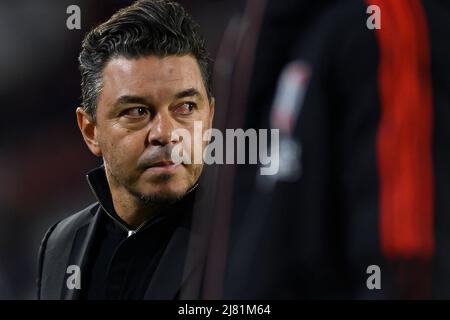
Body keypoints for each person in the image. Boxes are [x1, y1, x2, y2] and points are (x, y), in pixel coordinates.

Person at [37, 0, 214, 300]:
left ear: (209, 118)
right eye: (136, 111)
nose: (165, 134)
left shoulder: (248, 235)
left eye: (185, 107)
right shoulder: (60, 244)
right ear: (90, 131)